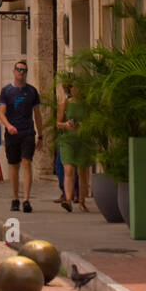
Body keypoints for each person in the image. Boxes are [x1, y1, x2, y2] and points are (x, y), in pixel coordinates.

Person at [0, 59, 43, 213]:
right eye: (18, 70)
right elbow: (1, 113)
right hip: (12, 133)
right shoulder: (6, 91)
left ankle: (26, 200)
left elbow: (37, 114)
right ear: (14, 71)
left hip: (28, 132)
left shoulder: (32, 92)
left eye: (24, 70)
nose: (21, 73)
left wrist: (41, 135)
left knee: (26, 162)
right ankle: (15, 198)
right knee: (14, 165)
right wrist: (9, 126)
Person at [57, 82, 91, 213]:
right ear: (71, 89)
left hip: (83, 140)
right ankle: (68, 200)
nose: (77, 89)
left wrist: (83, 126)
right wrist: (66, 125)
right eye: (75, 86)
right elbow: (58, 123)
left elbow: (92, 122)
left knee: (82, 172)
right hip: (67, 141)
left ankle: (82, 202)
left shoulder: (87, 105)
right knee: (69, 169)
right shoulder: (65, 103)